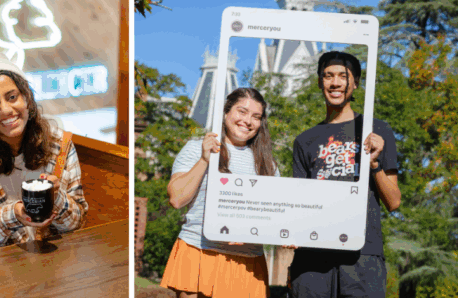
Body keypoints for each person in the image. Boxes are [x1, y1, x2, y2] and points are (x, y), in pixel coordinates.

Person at [289, 51, 400, 298]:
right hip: (312, 255)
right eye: (328, 76)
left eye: (343, 76)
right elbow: (298, 205)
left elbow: (393, 202)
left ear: (356, 82)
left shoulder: (377, 130)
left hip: (362, 254)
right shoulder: (305, 140)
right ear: (320, 82)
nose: (335, 83)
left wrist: (374, 165)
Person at [0, 56, 86, 254]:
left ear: (27, 97)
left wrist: (55, 197)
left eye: (12, 97)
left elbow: (77, 222)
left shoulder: (58, 145)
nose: (6, 110)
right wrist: (13, 215)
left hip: (49, 263)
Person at [160, 88, 278, 298]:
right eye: (241, 112)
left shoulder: (268, 164)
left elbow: (274, 215)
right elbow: (177, 199)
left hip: (247, 261)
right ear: (225, 113)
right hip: (199, 251)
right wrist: (205, 160)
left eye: (256, 116)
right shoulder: (196, 149)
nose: (247, 121)